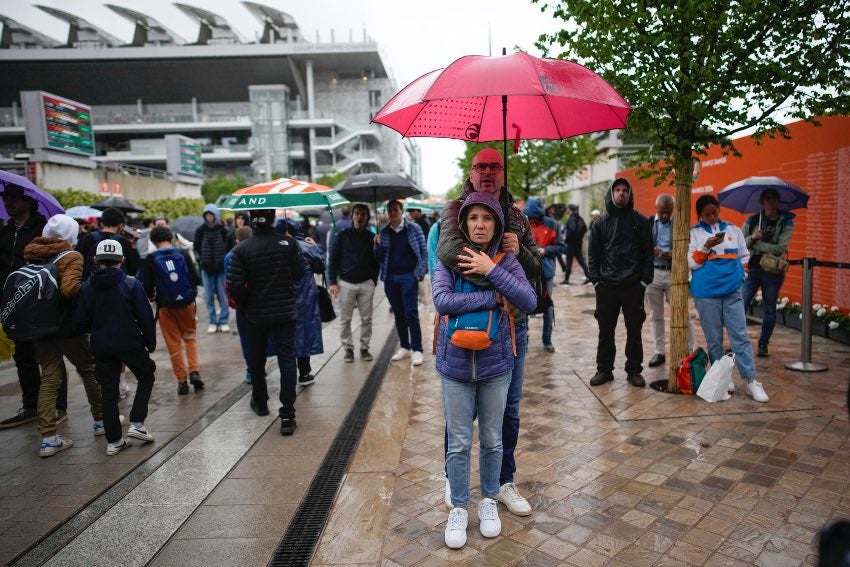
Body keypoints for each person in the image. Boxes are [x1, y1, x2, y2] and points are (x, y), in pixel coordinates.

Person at [437, 147, 541, 517]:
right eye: (481, 166)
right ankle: (455, 477)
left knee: (508, 411)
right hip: (466, 328)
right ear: (471, 170)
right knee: (460, 415)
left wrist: (516, 254)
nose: (488, 172)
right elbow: (450, 254)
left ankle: (502, 482)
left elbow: (534, 271)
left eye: (495, 166)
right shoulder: (454, 210)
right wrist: (497, 276)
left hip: (513, 328)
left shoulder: (517, 217)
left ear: (502, 172)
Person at [25, 214, 103, 457]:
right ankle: (101, 420)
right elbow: (70, 290)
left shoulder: (32, 253)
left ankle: (48, 438)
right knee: (89, 369)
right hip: (67, 327)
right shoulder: (72, 256)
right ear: (70, 234)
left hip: (40, 326)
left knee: (49, 378)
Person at [226, 209, 305, 436]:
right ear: (273, 219)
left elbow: (235, 285)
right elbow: (300, 274)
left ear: (252, 221)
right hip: (285, 311)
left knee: (257, 358)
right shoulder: (288, 244)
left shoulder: (241, 250)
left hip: (256, 313)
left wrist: (246, 303)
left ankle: (260, 402)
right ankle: (288, 414)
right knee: (287, 360)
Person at [75, 239, 157, 455]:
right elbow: (145, 317)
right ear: (121, 260)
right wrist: (150, 342)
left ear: (95, 260)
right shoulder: (131, 284)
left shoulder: (86, 288)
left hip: (101, 345)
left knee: (108, 392)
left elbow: (81, 322)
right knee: (146, 375)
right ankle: (137, 423)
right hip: (130, 341)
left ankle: (114, 441)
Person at [0, 183, 69, 429]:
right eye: (6, 198)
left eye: (14, 199)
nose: (9, 203)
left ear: (28, 201)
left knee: (48, 354)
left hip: (39, 300)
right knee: (23, 356)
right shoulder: (5, 233)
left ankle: (59, 406)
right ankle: (30, 406)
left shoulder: (43, 229)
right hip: (12, 302)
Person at [689, 194, 769, 402]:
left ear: (719, 210)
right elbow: (692, 264)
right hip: (706, 293)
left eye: (714, 212)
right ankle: (723, 379)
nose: (712, 217)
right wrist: (706, 246)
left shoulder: (733, 229)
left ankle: (752, 381)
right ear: (700, 215)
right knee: (714, 339)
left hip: (732, 291)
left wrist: (742, 276)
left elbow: (744, 255)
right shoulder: (694, 233)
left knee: (740, 336)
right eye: (707, 215)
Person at [587, 178, 654, 388]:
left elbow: (648, 254)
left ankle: (634, 370)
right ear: (612, 193)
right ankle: (604, 370)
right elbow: (593, 255)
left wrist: (644, 282)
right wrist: (596, 281)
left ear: (630, 193)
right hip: (606, 287)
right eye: (618, 190)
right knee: (605, 331)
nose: (621, 194)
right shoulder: (600, 224)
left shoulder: (641, 222)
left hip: (633, 286)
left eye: (625, 190)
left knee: (634, 331)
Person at [143, 226, 204, 395]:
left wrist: (152, 297)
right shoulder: (182, 254)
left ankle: (182, 381)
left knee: (173, 343)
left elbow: (146, 286)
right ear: (170, 238)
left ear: (154, 242)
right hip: (186, 303)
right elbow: (196, 277)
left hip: (165, 306)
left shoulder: (150, 259)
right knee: (190, 337)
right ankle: (194, 371)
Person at [741, 188, 795, 357]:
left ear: (778, 201)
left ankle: (763, 344)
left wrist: (757, 244)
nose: (771, 201)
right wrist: (752, 237)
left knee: (769, 309)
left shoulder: (786, 221)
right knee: (740, 305)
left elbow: (780, 248)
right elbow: (741, 243)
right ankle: (739, 342)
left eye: (774, 198)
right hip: (753, 269)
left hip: (773, 271)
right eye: (768, 198)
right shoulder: (752, 220)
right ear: (762, 202)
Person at [645, 194, 696, 367]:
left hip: (674, 272)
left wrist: (673, 254)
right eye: (662, 212)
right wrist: (651, 250)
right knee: (655, 315)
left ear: (673, 209)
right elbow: (641, 246)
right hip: (653, 273)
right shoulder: (649, 223)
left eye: (668, 212)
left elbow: (689, 248)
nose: (665, 216)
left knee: (682, 312)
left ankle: (690, 349)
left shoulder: (680, 224)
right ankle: (659, 352)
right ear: (656, 209)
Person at [327, 203, 380, 363]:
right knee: (345, 319)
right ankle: (348, 349)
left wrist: (374, 279)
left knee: (367, 319)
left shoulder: (372, 237)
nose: (359, 216)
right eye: (357, 213)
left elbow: (377, 260)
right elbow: (333, 260)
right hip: (346, 283)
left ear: (367, 218)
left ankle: (364, 348)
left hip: (366, 283)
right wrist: (332, 282)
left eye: (363, 214)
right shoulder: (342, 235)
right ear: (352, 216)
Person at [377, 200, 428, 366]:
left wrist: (418, 274)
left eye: (395, 209)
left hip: (408, 276)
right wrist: (376, 246)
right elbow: (378, 258)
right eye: (389, 210)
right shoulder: (383, 233)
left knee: (411, 313)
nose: (392, 212)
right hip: (390, 278)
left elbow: (423, 252)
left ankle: (417, 349)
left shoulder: (413, 229)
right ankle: (405, 346)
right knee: (398, 314)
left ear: (401, 211)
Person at [279, 218, 325, 386]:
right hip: (305, 298)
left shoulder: (275, 247)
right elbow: (320, 266)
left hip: (282, 298)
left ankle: (288, 374)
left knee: (285, 335)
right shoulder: (306, 246)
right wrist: (314, 246)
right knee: (304, 332)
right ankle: (304, 372)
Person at [523, 197, 564, 352]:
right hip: (526, 272)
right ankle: (524, 339)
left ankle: (547, 340)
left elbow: (561, 247)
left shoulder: (553, 224)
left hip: (546, 273)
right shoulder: (523, 224)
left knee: (547, 307)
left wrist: (545, 250)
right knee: (524, 304)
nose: (531, 219)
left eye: (534, 216)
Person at [194, 204, 231, 334]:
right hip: (206, 268)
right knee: (208, 296)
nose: (209, 217)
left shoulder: (224, 230)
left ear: (216, 215)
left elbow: (229, 247)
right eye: (207, 215)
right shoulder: (200, 230)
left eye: (211, 214)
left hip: (221, 269)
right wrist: (200, 260)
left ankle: (223, 321)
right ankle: (212, 321)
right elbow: (196, 248)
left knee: (223, 295)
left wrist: (226, 262)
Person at [561, 204, 590, 285]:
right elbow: (585, 228)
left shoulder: (571, 218)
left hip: (571, 244)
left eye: (567, 209)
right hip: (578, 243)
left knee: (569, 262)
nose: (566, 210)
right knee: (581, 261)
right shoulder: (579, 217)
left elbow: (572, 230)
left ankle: (566, 280)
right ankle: (589, 277)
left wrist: (566, 239)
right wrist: (578, 238)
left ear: (570, 209)